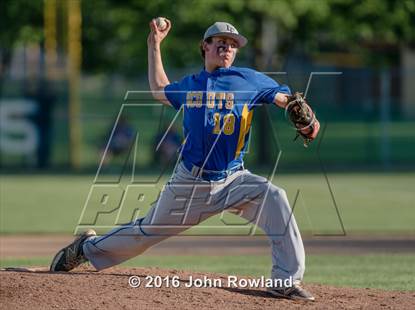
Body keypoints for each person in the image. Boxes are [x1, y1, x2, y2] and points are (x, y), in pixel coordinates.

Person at [50, 19, 320, 302]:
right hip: (191, 183)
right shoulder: (191, 85)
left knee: (275, 197)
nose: (227, 48)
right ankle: (85, 248)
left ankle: (285, 281)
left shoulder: (249, 80)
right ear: (205, 46)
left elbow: (284, 99)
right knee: (145, 233)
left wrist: (301, 117)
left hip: (234, 178)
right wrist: (154, 44)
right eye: (221, 42)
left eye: (232, 45)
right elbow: (158, 89)